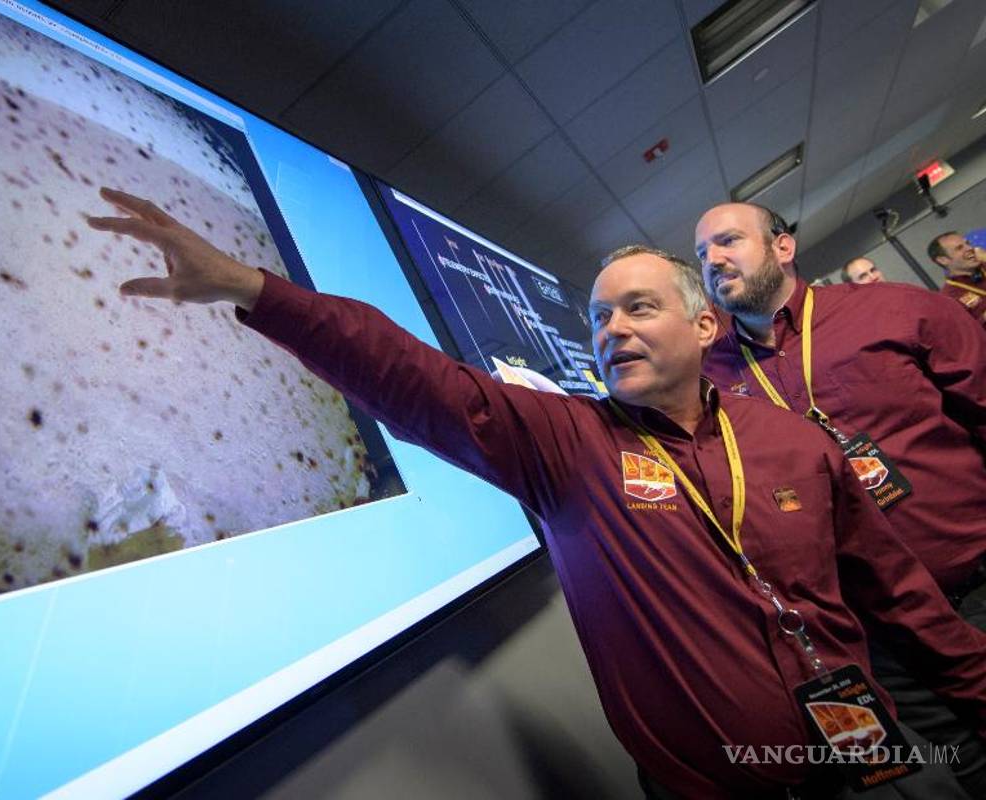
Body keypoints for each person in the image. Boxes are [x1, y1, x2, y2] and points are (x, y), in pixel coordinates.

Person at [87, 187, 986, 799]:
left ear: (704, 325)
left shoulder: (788, 441)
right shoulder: (571, 446)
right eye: (598, 317)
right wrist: (253, 289)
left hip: (881, 766)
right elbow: (414, 377)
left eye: (638, 307)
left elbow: (900, 596)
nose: (612, 328)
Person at [697, 202, 986, 794]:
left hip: (977, 586)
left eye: (728, 241)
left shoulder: (898, 310)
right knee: (972, 774)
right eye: (701, 255)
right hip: (883, 637)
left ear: (783, 247)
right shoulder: (708, 383)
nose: (713, 260)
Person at [928, 232, 986, 328]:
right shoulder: (950, 298)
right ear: (943, 260)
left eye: (967, 243)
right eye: (959, 248)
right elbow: (970, 333)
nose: (969, 248)